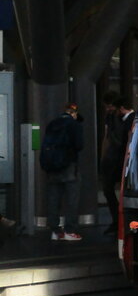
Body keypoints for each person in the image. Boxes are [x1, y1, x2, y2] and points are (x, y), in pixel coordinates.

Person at [40, 102, 85, 241]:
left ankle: (55, 231)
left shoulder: (52, 124)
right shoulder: (74, 124)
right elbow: (79, 145)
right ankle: (69, 231)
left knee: (53, 199)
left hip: (52, 166)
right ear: (74, 113)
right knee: (72, 199)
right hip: (69, 166)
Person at [100, 93, 134, 235]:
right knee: (109, 189)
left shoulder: (126, 119)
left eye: (110, 106)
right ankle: (117, 221)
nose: (108, 109)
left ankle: (120, 221)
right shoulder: (114, 117)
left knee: (115, 190)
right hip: (114, 159)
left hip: (120, 159)